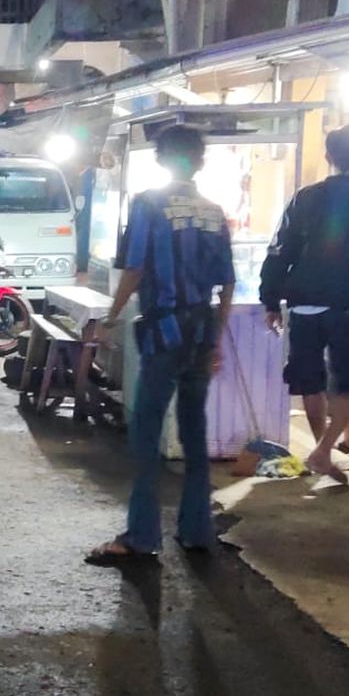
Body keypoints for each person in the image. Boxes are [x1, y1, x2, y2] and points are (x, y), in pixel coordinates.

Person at [87, 125, 235, 564]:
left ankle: (142, 535)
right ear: (200, 162)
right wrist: (214, 341)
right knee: (194, 431)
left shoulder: (149, 204)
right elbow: (227, 284)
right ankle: (195, 529)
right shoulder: (214, 211)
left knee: (146, 432)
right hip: (200, 332)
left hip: (163, 334)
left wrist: (110, 318)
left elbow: (134, 270)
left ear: (161, 159)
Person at [260, 125, 349, 483]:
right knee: (347, 383)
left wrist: (270, 299)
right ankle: (324, 451)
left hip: (305, 304)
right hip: (347, 306)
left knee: (310, 381)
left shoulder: (304, 198)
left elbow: (280, 250)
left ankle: (321, 449)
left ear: (328, 157)